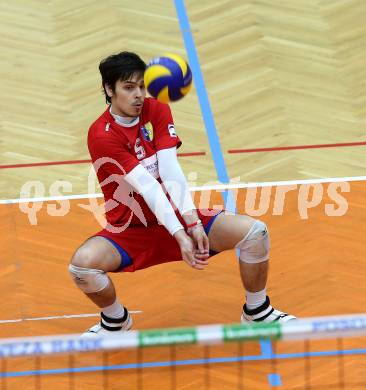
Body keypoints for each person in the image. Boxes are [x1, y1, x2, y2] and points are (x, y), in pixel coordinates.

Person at [69, 51, 295, 336]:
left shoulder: (157, 109)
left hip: (174, 215)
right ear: (109, 90)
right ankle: (116, 320)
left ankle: (257, 311)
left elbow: (169, 169)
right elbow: (148, 187)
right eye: (128, 87)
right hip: (130, 229)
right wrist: (181, 234)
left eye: (142, 86)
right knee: (82, 267)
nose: (138, 95)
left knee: (256, 233)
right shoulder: (102, 135)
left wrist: (192, 222)